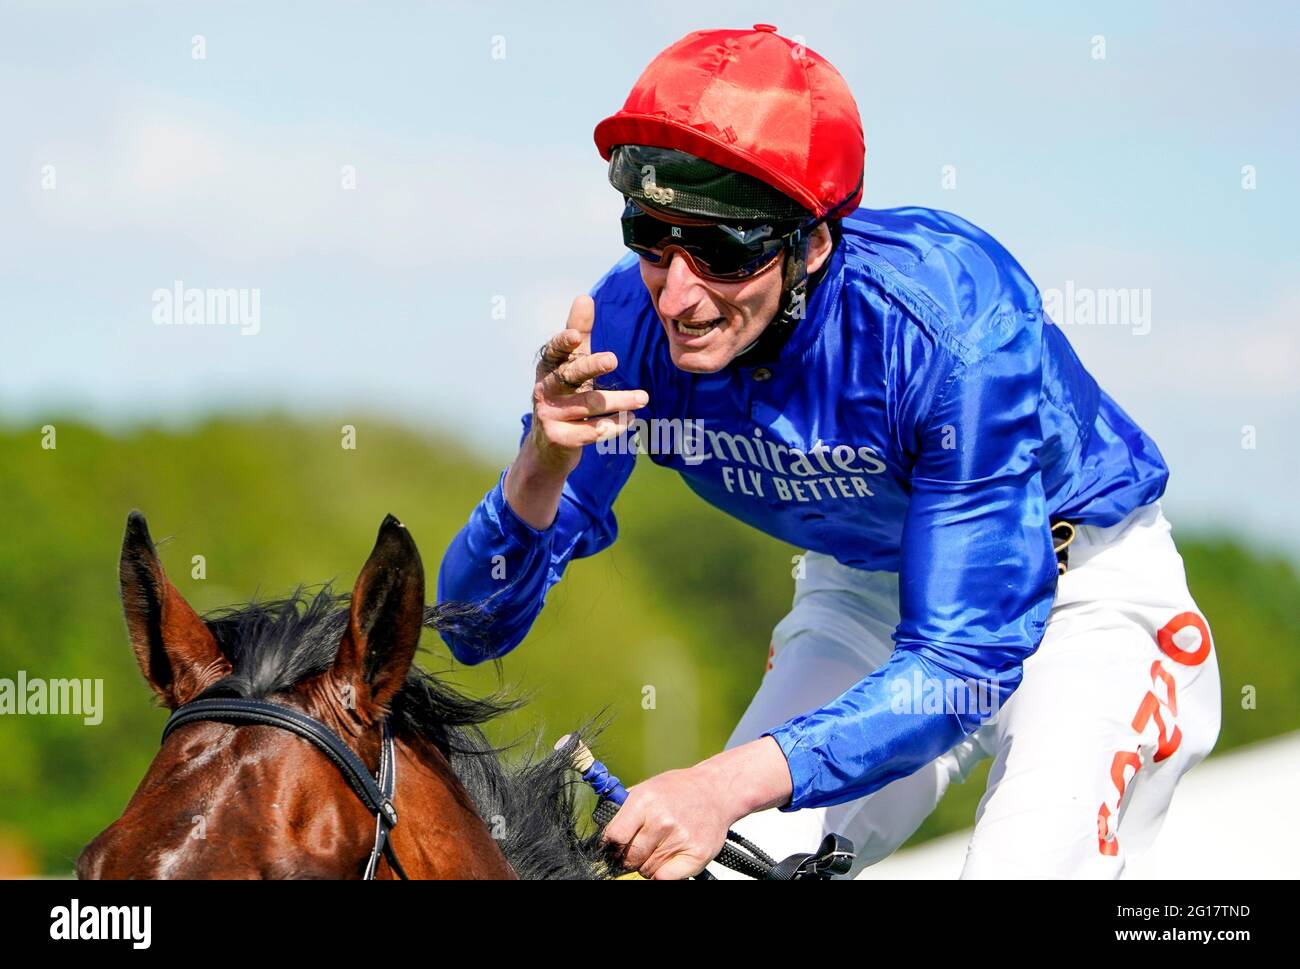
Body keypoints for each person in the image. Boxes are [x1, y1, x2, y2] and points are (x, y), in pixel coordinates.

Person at [436, 25, 1221, 879]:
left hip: (1078, 601)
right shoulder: (627, 323)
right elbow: (473, 632)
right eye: (651, 234)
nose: (679, 291)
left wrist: (717, 785)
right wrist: (539, 467)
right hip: (862, 595)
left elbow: (961, 658)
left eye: (723, 247)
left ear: (812, 243)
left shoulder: (953, 325)